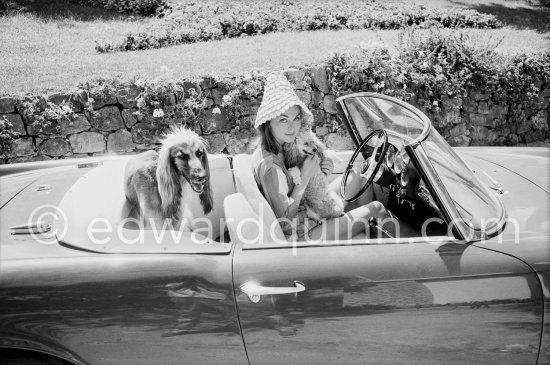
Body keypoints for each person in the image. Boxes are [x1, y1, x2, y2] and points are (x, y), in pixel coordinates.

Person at [251, 73, 392, 241]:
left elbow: (300, 188)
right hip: (300, 234)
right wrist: (304, 177)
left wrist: (321, 174)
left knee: (357, 176)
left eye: (296, 119)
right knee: (377, 208)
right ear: (268, 122)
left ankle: (362, 236)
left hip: (308, 209)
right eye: (283, 120)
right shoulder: (270, 167)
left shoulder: (281, 146)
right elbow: (285, 223)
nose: (292, 127)